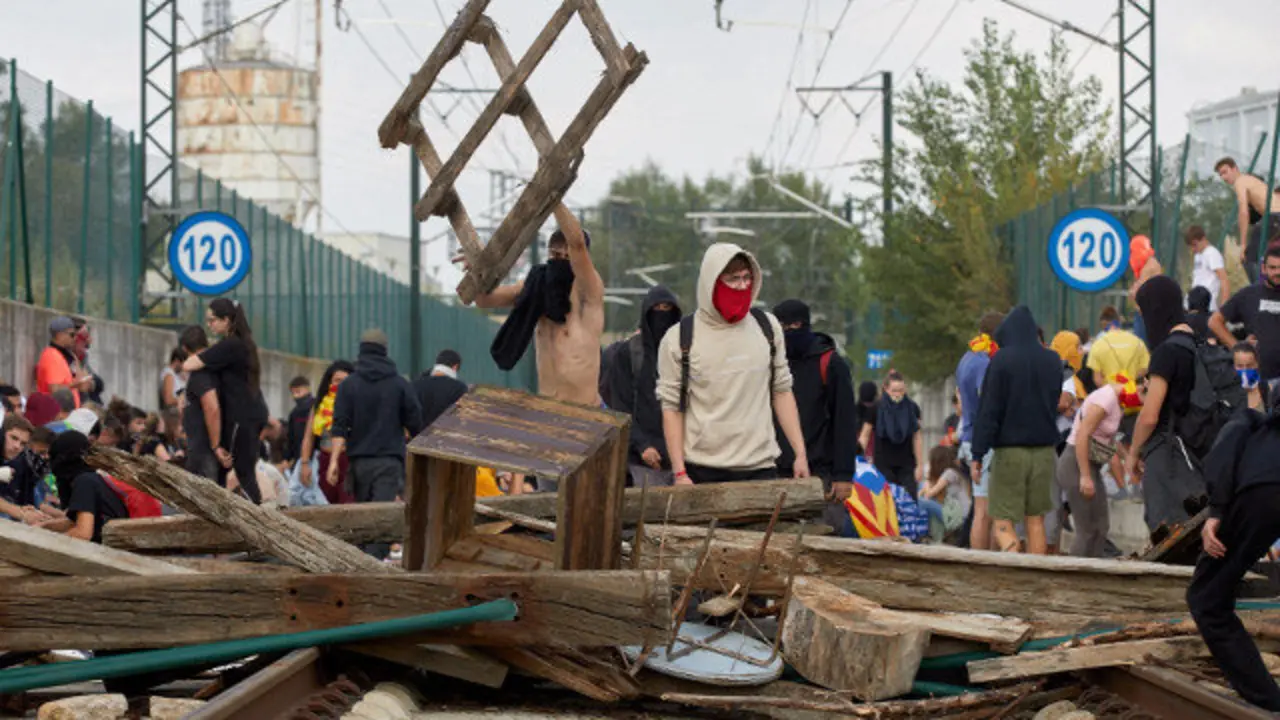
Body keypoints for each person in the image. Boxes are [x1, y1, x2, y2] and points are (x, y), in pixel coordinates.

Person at [655, 243, 808, 485]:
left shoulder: (767, 328)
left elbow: (782, 390)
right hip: (702, 471)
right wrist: (680, 472)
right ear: (712, 282)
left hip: (761, 467)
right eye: (733, 279)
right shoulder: (679, 338)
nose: (743, 286)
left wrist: (800, 453)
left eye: (747, 278)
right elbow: (671, 408)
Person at [1185, 404, 1280, 712]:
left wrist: (1218, 509)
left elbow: (1225, 451)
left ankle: (1267, 700)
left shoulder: (1248, 420)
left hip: (1262, 490)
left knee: (1207, 601)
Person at [468, 203, 605, 405]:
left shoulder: (588, 292)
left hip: (587, 411)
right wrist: (477, 271)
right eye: (555, 256)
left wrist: (554, 199)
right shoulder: (537, 287)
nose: (561, 261)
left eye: (567, 258)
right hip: (548, 410)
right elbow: (483, 300)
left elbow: (577, 244)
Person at [970, 306, 1063, 555]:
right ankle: (1037, 576)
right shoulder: (1053, 360)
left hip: (1010, 452)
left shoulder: (1001, 360)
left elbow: (989, 411)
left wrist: (977, 454)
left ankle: (1014, 559)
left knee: (1002, 521)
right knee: (1036, 520)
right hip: (1044, 451)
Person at [329, 329, 423, 559]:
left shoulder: (348, 386)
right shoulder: (400, 384)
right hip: (389, 461)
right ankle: (372, 566)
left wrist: (333, 461)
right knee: (382, 519)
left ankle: (363, 566)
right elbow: (417, 424)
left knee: (364, 518)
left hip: (359, 463)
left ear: (361, 351)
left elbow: (340, 425)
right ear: (385, 351)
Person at [1127, 275, 1207, 532]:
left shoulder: (1166, 352)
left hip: (1168, 454)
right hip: (1199, 452)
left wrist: (1133, 453)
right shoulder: (1200, 344)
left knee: (1168, 536)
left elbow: (1150, 416)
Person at [182, 298, 269, 503]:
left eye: (212, 320)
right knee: (245, 471)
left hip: (241, 418)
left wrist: (215, 446)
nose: (209, 325)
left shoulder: (231, 345)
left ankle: (256, 520)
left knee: (243, 472)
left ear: (227, 320)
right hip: (250, 416)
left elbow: (189, 364)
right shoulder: (240, 344)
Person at [771, 299, 858, 484]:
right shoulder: (772, 363)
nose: (784, 334)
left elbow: (844, 422)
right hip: (774, 470)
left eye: (790, 326)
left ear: (801, 325)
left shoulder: (830, 364)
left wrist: (843, 475)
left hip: (819, 472)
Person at [607, 287, 683, 487]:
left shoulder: (685, 352)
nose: (661, 314)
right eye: (656, 308)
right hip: (643, 463)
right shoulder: (629, 353)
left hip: (684, 458)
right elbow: (620, 406)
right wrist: (642, 445)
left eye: (667, 308)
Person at [1057, 379, 1125, 557]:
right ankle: (1075, 578)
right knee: (1086, 529)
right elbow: (1082, 436)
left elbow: (1109, 440)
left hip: (1092, 464)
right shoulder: (1106, 399)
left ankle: (1093, 573)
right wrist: (1085, 477)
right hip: (1076, 463)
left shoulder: (1120, 402)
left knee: (1101, 527)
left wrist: (1130, 460)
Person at [956, 311, 1004, 551]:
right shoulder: (984, 363)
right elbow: (987, 399)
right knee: (988, 511)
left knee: (980, 508)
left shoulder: (966, 358)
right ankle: (989, 563)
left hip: (968, 436)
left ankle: (978, 560)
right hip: (982, 441)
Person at [1211, 244, 1280, 395]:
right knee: (1255, 416)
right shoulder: (1248, 295)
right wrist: (1236, 347)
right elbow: (1215, 321)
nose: (1277, 272)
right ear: (1263, 268)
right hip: (1255, 378)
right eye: (1273, 268)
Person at [40, 431, 128, 543]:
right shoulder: (95, 478)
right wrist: (44, 526)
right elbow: (74, 521)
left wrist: (47, 542)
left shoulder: (84, 482)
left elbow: (83, 533)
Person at [1215, 156, 1280, 285]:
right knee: (1269, 254)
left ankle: (1260, 290)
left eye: (1225, 172)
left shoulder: (1241, 182)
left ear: (1234, 169)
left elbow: (1243, 212)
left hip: (1274, 217)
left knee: (1249, 258)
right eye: (1220, 174)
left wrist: (1243, 244)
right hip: (1274, 219)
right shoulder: (1252, 181)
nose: (1223, 177)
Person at [298, 360, 355, 505]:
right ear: (329, 381)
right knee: (327, 505)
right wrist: (304, 464)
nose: (340, 385)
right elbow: (308, 437)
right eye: (337, 380)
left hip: (349, 461)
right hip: (323, 460)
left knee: (347, 505)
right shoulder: (318, 405)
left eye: (345, 381)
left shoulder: (355, 404)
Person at [858, 371, 923, 497]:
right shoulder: (876, 408)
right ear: (886, 389)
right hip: (883, 465)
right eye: (894, 390)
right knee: (887, 502)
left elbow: (917, 437)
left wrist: (920, 465)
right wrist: (859, 459)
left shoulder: (912, 408)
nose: (897, 394)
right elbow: (865, 435)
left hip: (907, 465)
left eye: (901, 390)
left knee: (910, 500)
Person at [178, 326, 222, 481]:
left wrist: (215, 445)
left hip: (204, 451)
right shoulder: (215, 368)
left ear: (185, 349)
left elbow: (212, 407)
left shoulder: (201, 373)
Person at [919, 444, 972, 544]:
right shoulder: (948, 472)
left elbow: (928, 494)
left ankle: (923, 532)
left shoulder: (950, 473)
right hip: (951, 512)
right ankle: (929, 533)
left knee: (923, 501)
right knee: (922, 492)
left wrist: (927, 479)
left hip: (959, 516)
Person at [36, 316, 93, 407]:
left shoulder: (68, 355)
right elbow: (55, 390)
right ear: (59, 335)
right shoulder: (51, 355)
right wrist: (77, 384)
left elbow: (80, 377)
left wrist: (85, 383)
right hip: (57, 412)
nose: (74, 338)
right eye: (72, 335)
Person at [413, 349, 469, 429]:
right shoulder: (459, 388)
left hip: (417, 437)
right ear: (455, 367)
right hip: (446, 437)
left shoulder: (416, 384)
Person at [0, 415, 37, 523]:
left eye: (23, 443)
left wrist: (22, 509)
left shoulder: (21, 463)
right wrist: (19, 512)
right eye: (13, 438)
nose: (17, 446)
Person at [1186, 225, 1229, 311]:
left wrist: (1224, 308)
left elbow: (1224, 280)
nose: (1193, 249)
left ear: (1203, 239)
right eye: (1191, 246)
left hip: (1207, 307)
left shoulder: (1212, 253)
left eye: (1195, 245)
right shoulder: (1198, 255)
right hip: (1194, 304)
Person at [70, 319, 105, 406]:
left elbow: (99, 383)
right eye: (84, 337)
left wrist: (91, 384)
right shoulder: (65, 359)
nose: (88, 342)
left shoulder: (82, 358)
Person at [284, 375, 314, 466]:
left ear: (307, 389)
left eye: (298, 392)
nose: (295, 396)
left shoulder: (317, 407)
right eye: (293, 393)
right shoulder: (294, 413)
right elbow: (291, 438)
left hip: (314, 456)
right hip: (298, 458)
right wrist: (288, 459)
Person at [1233, 342, 1270, 412]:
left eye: (1249, 366)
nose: (1245, 370)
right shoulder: (1226, 396)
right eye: (1240, 366)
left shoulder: (1268, 389)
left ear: (1256, 364)